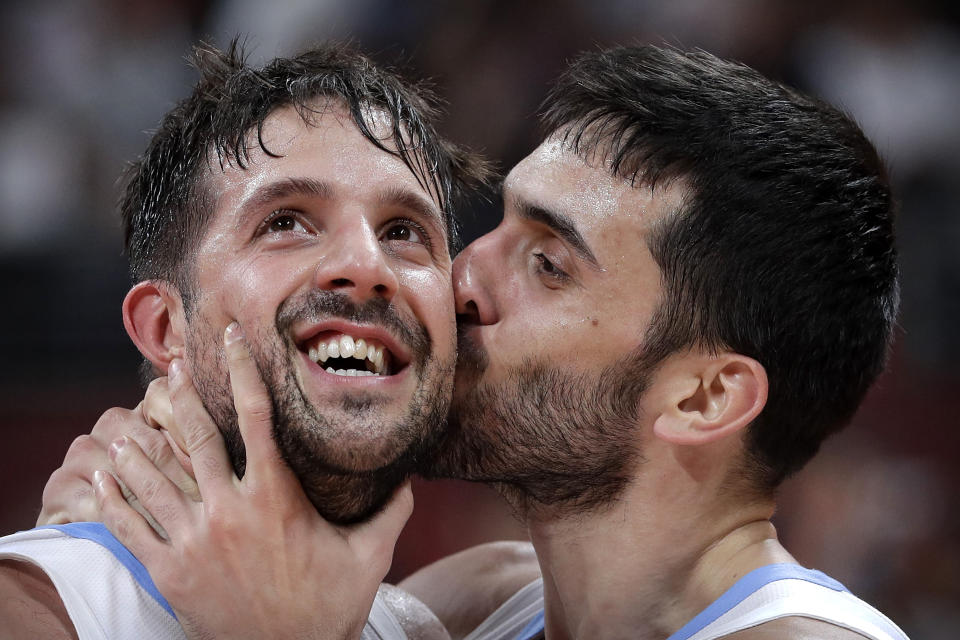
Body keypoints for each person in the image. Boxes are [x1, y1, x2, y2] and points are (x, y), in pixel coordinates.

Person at [37, 45, 909, 639]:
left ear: (703, 397)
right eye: (493, 225)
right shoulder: (468, 604)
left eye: (548, 265)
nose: (452, 281)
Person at [0, 40, 488, 640]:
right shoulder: (26, 611)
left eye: (404, 231)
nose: (368, 265)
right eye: (285, 223)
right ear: (164, 328)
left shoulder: (428, 625)